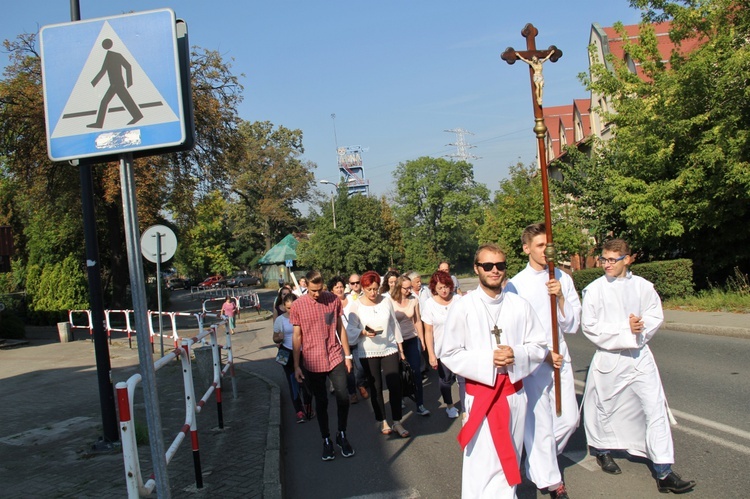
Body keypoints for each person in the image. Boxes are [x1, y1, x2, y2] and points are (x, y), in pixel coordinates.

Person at [581, 239, 696, 494]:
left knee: (655, 409)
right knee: (604, 408)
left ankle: (664, 471)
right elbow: (589, 327)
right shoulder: (594, 290)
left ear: (628, 259)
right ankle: (602, 449)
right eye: (604, 259)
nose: (607, 264)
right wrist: (625, 329)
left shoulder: (644, 287)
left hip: (640, 355)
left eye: (613, 259)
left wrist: (640, 328)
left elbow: (655, 314)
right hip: (610, 359)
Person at [442, 243, 547, 498]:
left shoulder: (519, 305)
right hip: (481, 396)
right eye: (488, 266)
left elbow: (539, 345)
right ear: (477, 269)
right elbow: (449, 352)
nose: (494, 270)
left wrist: (517, 355)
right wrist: (490, 359)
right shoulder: (463, 307)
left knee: (509, 454)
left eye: (499, 265)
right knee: (481, 462)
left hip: (513, 395)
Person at [505, 223, 581, 499]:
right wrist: (541, 353)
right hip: (535, 364)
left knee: (569, 419)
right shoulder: (516, 284)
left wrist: (560, 297)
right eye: (540, 245)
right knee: (540, 424)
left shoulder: (563, 278)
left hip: (561, 360)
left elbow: (572, 324)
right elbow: (514, 329)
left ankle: (538, 463)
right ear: (526, 248)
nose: (547, 250)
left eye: (549, 244)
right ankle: (551, 482)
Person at [290, 271, 355, 461]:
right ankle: (326, 438)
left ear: (323, 286)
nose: (316, 294)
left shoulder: (332, 300)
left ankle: (341, 433)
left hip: (334, 356)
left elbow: (340, 328)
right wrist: (296, 366)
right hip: (312, 359)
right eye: (312, 291)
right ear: (306, 287)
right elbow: (297, 336)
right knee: (322, 402)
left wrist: (348, 355)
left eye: (319, 290)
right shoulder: (298, 305)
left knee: (343, 397)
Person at [346, 271, 410, 438]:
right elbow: (350, 329)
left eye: (375, 289)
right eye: (369, 290)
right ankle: (382, 420)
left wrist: (401, 349)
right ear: (363, 288)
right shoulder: (357, 305)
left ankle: (397, 421)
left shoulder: (386, 301)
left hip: (389, 347)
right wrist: (363, 333)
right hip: (368, 351)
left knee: (395, 384)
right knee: (376, 387)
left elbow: (394, 324)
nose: (373, 293)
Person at [422, 270, 462, 418]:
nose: (444, 290)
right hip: (442, 349)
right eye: (440, 288)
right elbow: (428, 331)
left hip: (461, 347)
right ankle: (450, 405)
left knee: (463, 379)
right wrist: (431, 354)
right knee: (445, 379)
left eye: (446, 286)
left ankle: (466, 404)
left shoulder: (458, 300)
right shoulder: (430, 304)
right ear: (434, 288)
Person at [390, 274, 430, 416]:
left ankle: (420, 404)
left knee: (416, 372)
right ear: (399, 288)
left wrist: (422, 339)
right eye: (406, 288)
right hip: (395, 342)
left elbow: (417, 321)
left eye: (409, 288)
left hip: (412, 339)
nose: (409, 291)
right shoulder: (391, 301)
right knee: (399, 373)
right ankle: (400, 398)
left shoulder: (414, 300)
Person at [273, 293, 313, 423]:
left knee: (306, 382)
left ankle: (308, 406)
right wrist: (279, 337)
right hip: (287, 353)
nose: (291, 310)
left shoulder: (305, 316)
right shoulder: (280, 320)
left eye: (294, 307)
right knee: (293, 383)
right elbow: (275, 337)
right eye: (289, 308)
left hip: (303, 352)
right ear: (284, 307)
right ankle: (299, 411)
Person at [329, 275, 368, 404]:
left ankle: (360, 383)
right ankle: (352, 393)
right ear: (332, 291)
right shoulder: (331, 305)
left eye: (341, 287)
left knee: (361, 367)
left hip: (356, 339)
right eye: (336, 288)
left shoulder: (352, 299)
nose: (340, 289)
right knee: (348, 370)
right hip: (341, 343)